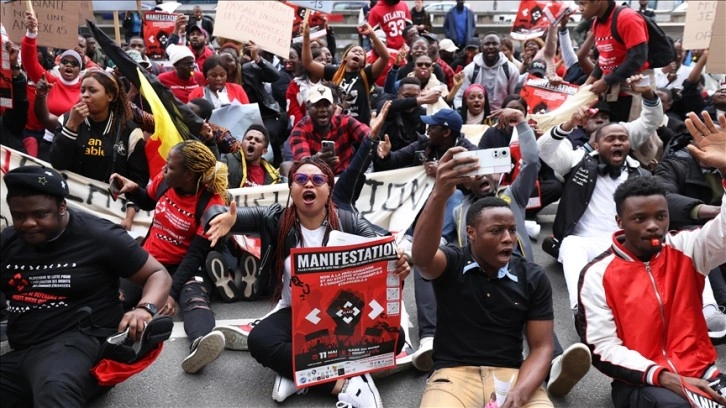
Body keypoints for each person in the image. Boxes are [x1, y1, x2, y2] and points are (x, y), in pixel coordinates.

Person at [203, 154, 410, 408]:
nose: (308, 184)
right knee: (259, 340)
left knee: (394, 339)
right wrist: (222, 218)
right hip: (298, 313)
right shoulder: (276, 219)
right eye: (301, 179)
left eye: (317, 179)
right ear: (291, 187)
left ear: (329, 188)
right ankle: (344, 384)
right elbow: (223, 214)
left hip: (346, 315)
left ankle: (296, 373)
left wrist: (398, 264)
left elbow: (383, 252)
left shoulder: (349, 222)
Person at [577, 111, 726, 408]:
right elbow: (602, 347)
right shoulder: (597, 273)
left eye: (660, 216)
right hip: (643, 381)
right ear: (620, 221)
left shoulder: (685, 248)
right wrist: (663, 376)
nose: (653, 226)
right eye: (640, 219)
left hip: (703, 372)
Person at [0, 165, 171, 407]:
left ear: (62, 207)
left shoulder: (100, 236)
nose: (28, 223)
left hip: (78, 343)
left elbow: (157, 273)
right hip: (22, 349)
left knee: (53, 389)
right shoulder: (9, 241)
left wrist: (144, 309)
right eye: (19, 216)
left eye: (40, 215)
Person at [411, 148, 555, 408]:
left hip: (513, 377)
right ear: (471, 233)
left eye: (512, 230)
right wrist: (440, 193)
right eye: (496, 231)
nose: (509, 239)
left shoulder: (533, 276)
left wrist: (519, 394)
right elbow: (422, 259)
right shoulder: (452, 262)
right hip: (452, 378)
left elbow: (542, 347)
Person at [111, 140, 230, 374]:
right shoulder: (165, 182)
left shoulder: (211, 204)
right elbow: (148, 199)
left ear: (189, 175)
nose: (165, 169)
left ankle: (200, 344)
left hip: (184, 266)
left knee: (195, 300)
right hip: (150, 261)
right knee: (117, 295)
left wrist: (172, 293)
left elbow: (196, 254)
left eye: (171, 167)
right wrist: (133, 189)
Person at [46, 69, 149, 231]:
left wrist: (129, 217)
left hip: (110, 213)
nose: (85, 95)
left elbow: (138, 179)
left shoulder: (129, 131)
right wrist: (72, 126)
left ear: (111, 96)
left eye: (92, 90)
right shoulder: (67, 119)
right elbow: (57, 163)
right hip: (70, 207)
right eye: (82, 90)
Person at [303, 22, 390, 126]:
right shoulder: (334, 73)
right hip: (338, 127)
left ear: (363, 62)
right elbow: (308, 63)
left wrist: (372, 34)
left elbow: (385, 57)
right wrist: (306, 37)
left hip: (360, 128)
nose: (357, 53)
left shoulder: (366, 75)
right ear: (345, 57)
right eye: (354, 51)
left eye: (361, 53)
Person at [21, 11, 82, 159]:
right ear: (59, 66)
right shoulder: (49, 81)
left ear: (79, 69)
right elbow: (30, 63)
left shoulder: (86, 88)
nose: (69, 65)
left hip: (76, 145)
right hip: (47, 142)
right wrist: (31, 34)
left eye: (74, 63)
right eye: (65, 62)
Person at [580, 0, 649, 120]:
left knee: (629, 134)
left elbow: (638, 57)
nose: (580, 8)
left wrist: (605, 81)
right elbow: (603, 58)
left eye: (582, 3)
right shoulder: (597, 22)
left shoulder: (627, 18)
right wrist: (587, 84)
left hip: (632, 89)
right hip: (611, 91)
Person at [288, 85, 369, 176]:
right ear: (308, 108)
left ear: (334, 106)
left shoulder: (346, 122)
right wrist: (316, 161)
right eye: (317, 106)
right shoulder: (299, 130)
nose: (322, 110)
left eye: (326, 105)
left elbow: (367, 135)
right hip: (315, 179)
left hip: (346, 178)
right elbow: (303, 162)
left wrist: (376, 139)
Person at [454, 33, 519, 111]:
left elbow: (513, 98)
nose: (491, 47)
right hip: (476, 118)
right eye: (487, 44)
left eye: (494, 43)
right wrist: (461, 112)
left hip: (501, 116)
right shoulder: (470, 69)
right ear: (481, 48)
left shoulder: (511, 69)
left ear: (500, 46)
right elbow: (460, 96)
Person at [222, 124, 282, 189]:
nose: (252, 141)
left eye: (257, 140)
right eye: (249, 138)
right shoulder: (228, 162)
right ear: (241, 144)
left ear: (264, 151)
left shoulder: (274, 176)